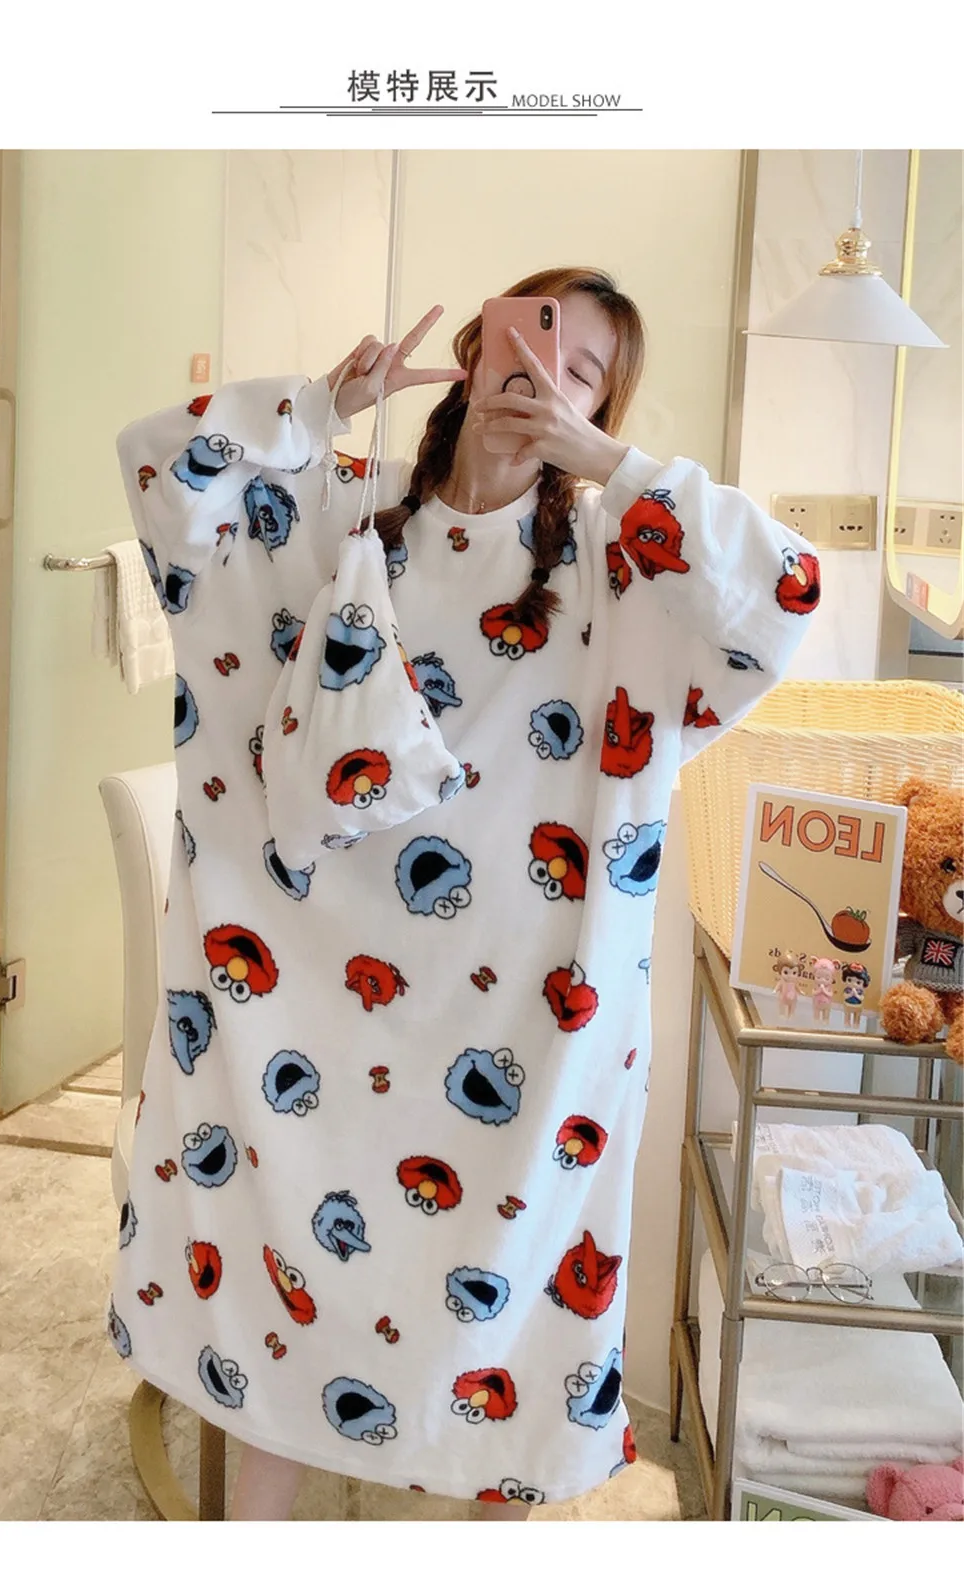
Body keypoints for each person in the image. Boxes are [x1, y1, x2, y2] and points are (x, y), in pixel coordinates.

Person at [105, 267, 821, 1521]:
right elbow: (162, 472)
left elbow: (783, 594)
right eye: (527, 339)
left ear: (599, 409)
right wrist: (318, 407)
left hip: (523, 1024)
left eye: (581, 369)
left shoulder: (620, 566)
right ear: (480, 348)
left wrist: (613, 466)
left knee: (506, 1308)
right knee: (283, 1274)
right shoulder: (345, 513)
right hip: (312, 1002)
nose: (542, 373)